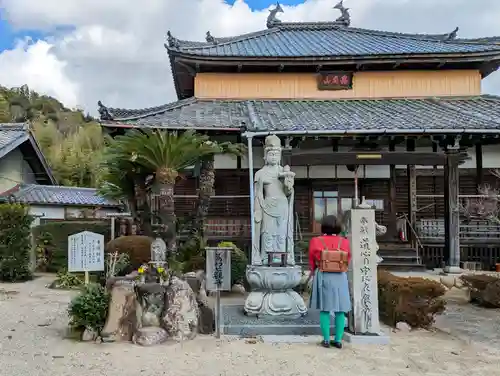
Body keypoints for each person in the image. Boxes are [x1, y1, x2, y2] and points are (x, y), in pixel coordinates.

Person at [308, 215, 351, 348]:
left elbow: (312, 260)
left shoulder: (316, 241)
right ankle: (338, 340)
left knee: (325, 309)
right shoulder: (344, 242)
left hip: (323, 275)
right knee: (340, 310)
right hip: (340, 276)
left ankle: (326, 339)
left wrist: (313, 271)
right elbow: (347, 259)